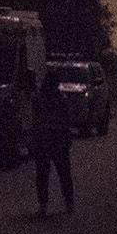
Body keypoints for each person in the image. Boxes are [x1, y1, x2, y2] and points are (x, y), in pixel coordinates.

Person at [32, 70, 75, 215]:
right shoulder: (60, 99)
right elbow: (66, 120)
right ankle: (68, 202)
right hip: (56, 140)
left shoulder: (40, 99)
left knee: (44, 174)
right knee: (63, 173)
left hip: (45, 140)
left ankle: (44, 204)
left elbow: (35, 121)